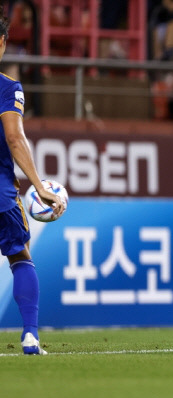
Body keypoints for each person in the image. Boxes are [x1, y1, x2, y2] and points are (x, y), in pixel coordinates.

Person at [0, 8, 65, 355]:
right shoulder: (7, 88)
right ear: (2, 43)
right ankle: (29, 336)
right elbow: (14, 138)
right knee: (20, 257)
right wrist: (38, 185)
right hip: (1, 194)